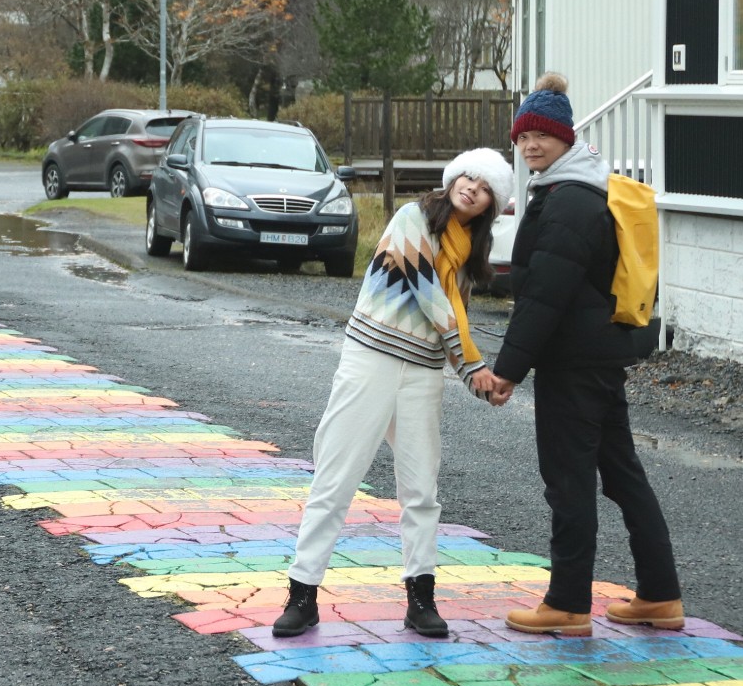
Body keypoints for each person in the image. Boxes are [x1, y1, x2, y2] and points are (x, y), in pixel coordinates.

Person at [472, 73, 685, 637]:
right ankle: (661, 596)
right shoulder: (579, 186)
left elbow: (544, 295)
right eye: (522, 137)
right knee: (621, 474)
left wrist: (508, 371)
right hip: (598, 356)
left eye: (542, 134)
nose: (531, 145)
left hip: (574, 362)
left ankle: (568, 604)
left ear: (566, 137)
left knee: (568, 479)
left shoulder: (569, 200)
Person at [273, 148, 514, 639]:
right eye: (469, 175)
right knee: (335, 477)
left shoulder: (466, 253)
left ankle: (420, 599)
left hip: (422, 373)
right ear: (454, 176)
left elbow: (456, 319)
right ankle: (302, 594)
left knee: (422, 489)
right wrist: (475, 369)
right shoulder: (411, 219)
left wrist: (474, 380)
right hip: (371, 360)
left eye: (485, 187)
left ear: (490, 206)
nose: (472, 187)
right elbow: (431, 296)